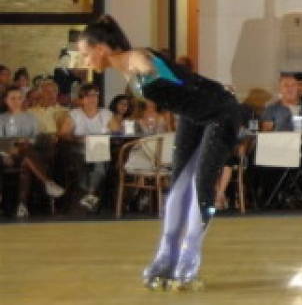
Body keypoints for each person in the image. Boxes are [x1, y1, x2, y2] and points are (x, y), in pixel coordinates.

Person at [77, 15, 244, 290]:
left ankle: (187, 267)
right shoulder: (124, 69)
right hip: (192, 116)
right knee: (178, 187)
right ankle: (164, 262)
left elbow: (176, 82)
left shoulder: (138, 59)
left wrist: (157, 75)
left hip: (221, 113)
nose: (85, 62)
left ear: (101, 49)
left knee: (200, 185)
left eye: (85, 54)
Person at [0, 86, 66, 218]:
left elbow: (35, 138)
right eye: (12, 98)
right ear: (5, 100)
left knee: (25, 159)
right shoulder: (2, 118)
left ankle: (22, 206)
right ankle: (47, 182)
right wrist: (5, 153)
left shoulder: (31, 117)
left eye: (19, 98)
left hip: (26, 154)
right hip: (6, 155)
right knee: (22, 149)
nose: (16, 101)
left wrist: (26, 142)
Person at [60, 83, 114, 212]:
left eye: (95, 95)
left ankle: (89, 194)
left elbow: (117, 132)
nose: (92, 99)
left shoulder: (106, 114)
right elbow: (63, 134)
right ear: (81, 99)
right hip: (79, 148)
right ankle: (91, 194)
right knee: (86, 159)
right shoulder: (75, 114)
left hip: (100, 146)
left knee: (99, 152)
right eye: (89, 96)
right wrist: (78, 138)